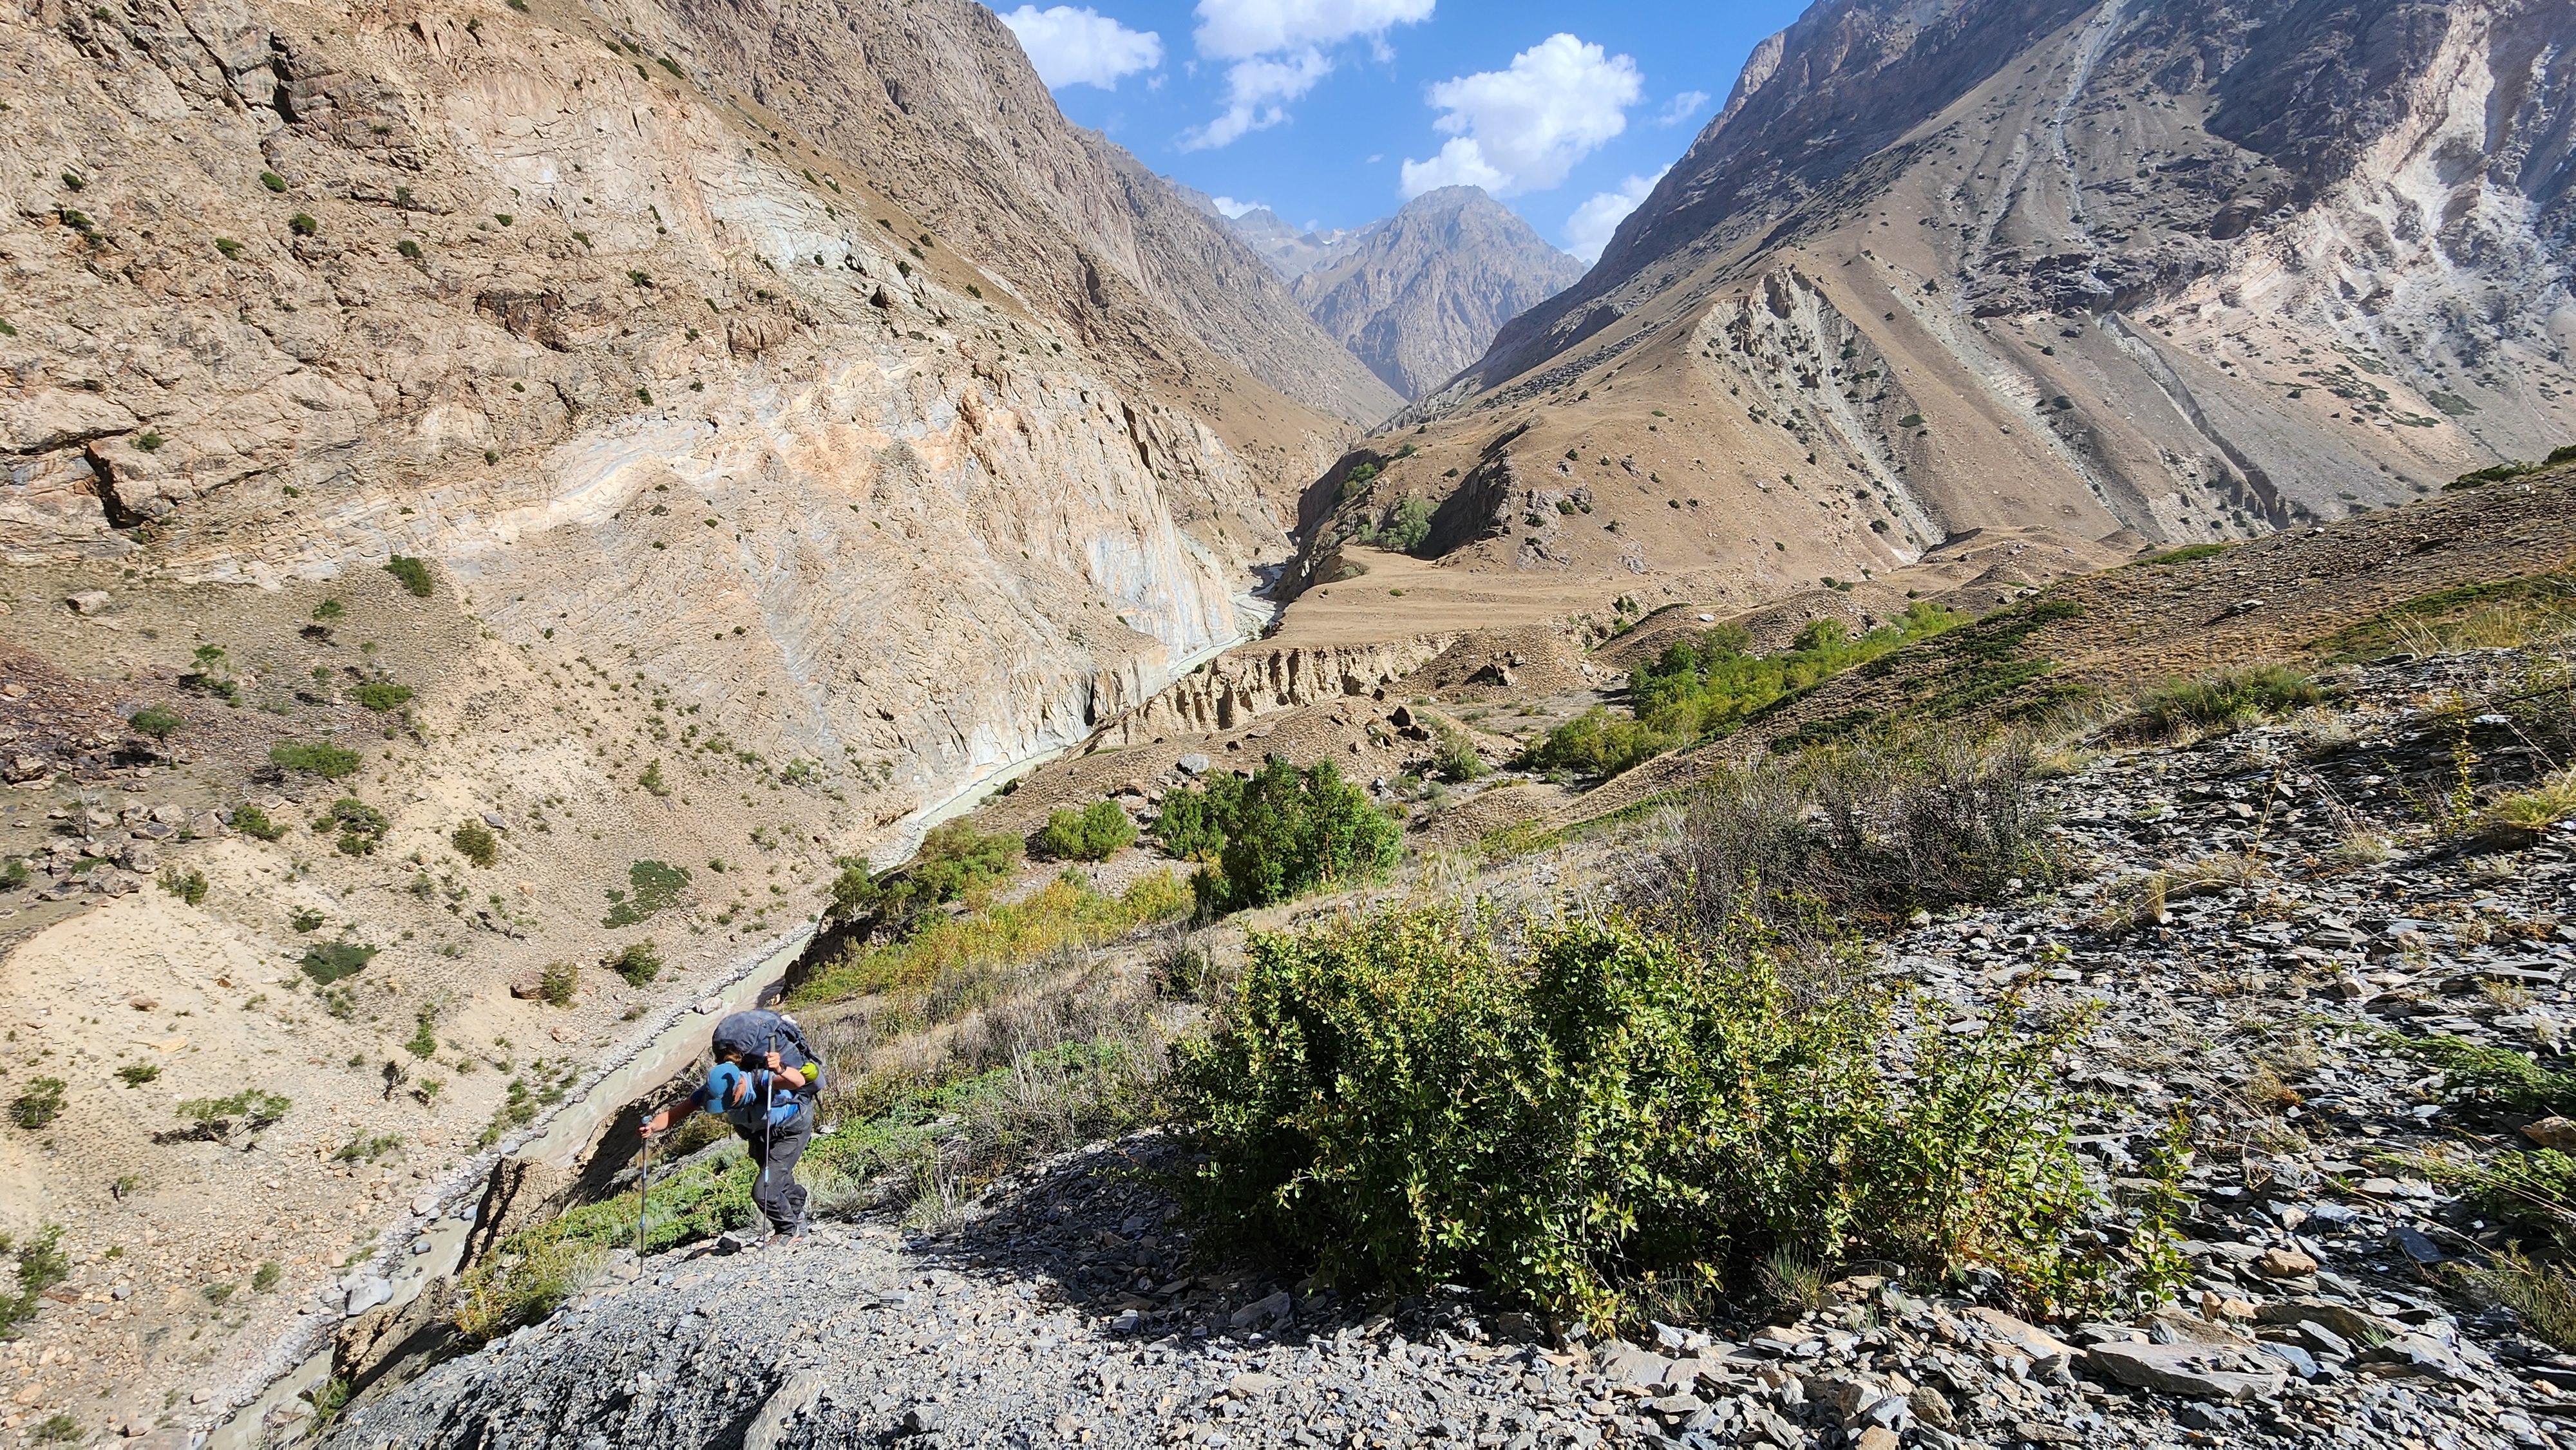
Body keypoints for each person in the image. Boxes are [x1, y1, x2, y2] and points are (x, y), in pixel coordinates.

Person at [639, 1010, 822, 1243]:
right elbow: (677, 1113)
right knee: (778, 1179)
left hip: (792, 1128)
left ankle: (788, 1230)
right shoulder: (714, 1088)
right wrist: (653, 1127)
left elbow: (797, 1081)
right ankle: (798, 1219)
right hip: (760, 1134)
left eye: (730, 1102)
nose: (726, 1107)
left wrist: (779, 1069)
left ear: (737, 1087)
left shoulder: (760, 1079)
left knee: (764, 1190)